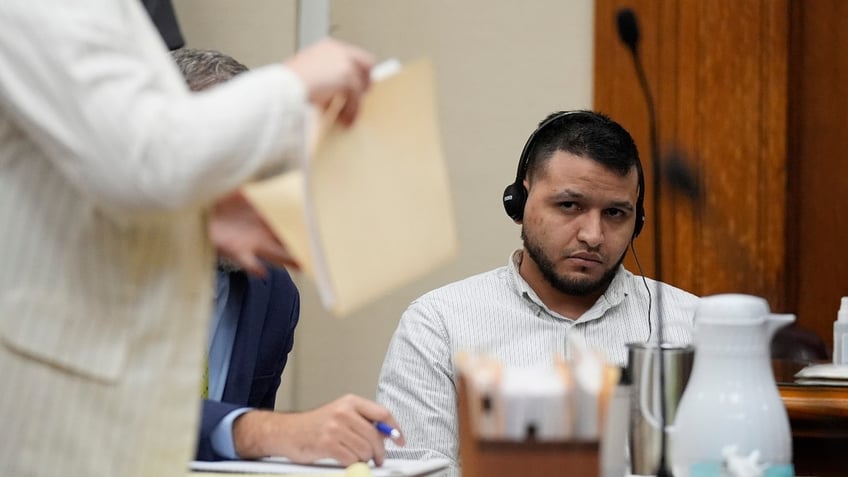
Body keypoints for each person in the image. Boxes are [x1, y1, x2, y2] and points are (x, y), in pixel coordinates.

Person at [0, 0, 390, 475]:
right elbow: (145, 159)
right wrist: (295, 82)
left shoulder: (272, 293)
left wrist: (202, 220)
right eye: (229, 157)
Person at [375, 110, 699, 475]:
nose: (593, 235)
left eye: (614, 213)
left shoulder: (691, 326)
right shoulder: (438, 323)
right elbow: (412, 470)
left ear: (636, 221)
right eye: (569, 206)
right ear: (519, 203)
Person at [173, 47, 406, 465]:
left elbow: (237, 453)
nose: (258, 190)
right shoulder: (95, 261)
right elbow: (100, 407)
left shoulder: (274, 293)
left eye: (266, 165)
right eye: (233, 163)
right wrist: (273, 431)